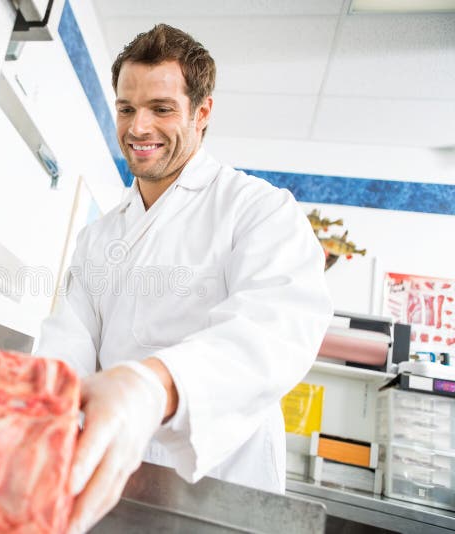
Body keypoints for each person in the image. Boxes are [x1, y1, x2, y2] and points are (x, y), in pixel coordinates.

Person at [35, 24, 333, 533]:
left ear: (202, 112)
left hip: (218, 487)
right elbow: (72, 339)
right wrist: (42, 408)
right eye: (126, 109)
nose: (138, 127)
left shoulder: (257, 210)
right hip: (109, 477)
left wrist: (153, 385)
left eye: (161, 108)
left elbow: (275, 330)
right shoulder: (100, 235)